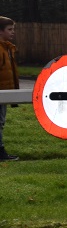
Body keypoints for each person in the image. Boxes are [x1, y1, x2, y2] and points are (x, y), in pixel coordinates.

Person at [0, 16, 20, 162]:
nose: (13, 32)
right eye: (9, 29)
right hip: (1, 91)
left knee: (1, 122)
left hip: (5, 92)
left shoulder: (8, 48)